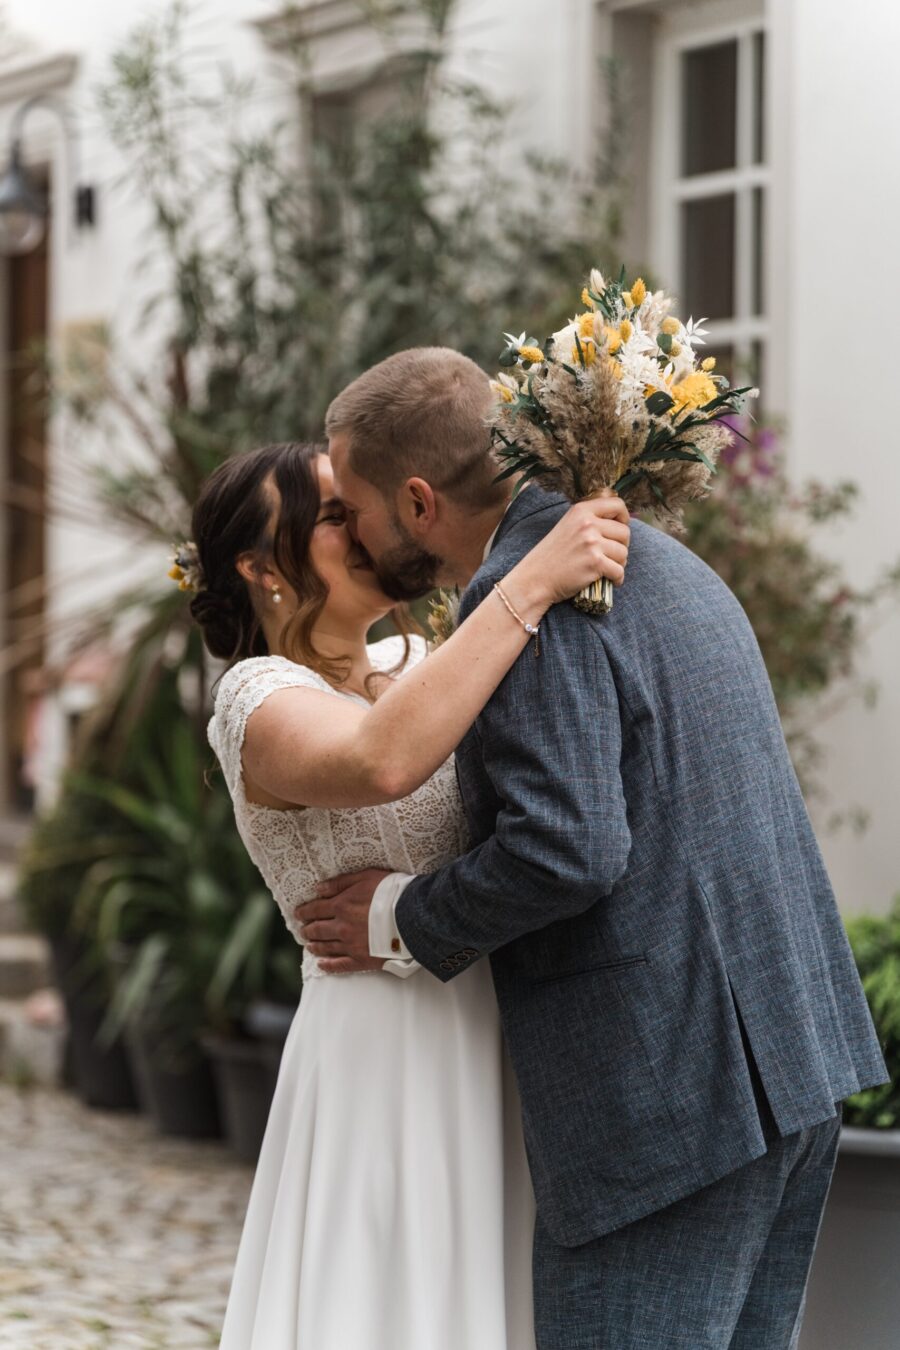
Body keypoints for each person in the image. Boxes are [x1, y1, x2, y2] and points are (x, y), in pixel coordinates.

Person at [297, 345, 889, 1350]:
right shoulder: (654, 556)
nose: (349, 535)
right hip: (787, 1066)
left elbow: (567, 847)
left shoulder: (533, 605)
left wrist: (398, 915)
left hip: (666, 1106)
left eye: (352, 509)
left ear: (418, 499)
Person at [188, 436, 631, 1349]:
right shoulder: (255, 698)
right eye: (330, 513)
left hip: (504, 1033)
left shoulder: (425, 654)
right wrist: (534, 579)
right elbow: (379, 760)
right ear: (258, 565)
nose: (361, 526)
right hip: (381, 1055)